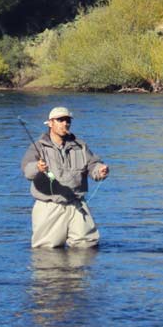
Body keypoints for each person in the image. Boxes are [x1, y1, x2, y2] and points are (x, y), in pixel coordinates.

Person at [21, 106, 110, 248]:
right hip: (49, 206)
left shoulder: (80, 146)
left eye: (67, 120)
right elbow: (27, 170)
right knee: (47, 251)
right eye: (60, 120)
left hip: (77, 204)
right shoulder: (37, 147)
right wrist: (37, 167)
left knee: (87, 247)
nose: (65, 123)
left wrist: (100, 170)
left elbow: (93, 164)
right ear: (50, 123)